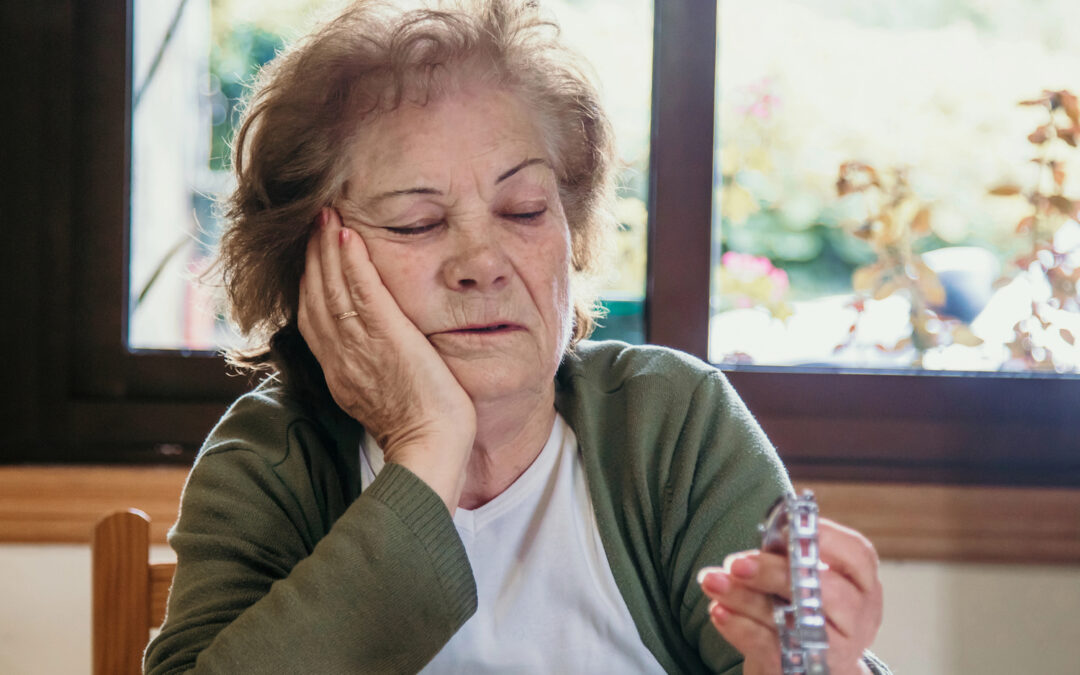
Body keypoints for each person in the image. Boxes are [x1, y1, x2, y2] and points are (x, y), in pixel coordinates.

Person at [144, 1, 888, 673]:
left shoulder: (672, 422)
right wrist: (427, 442)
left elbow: (796, 656)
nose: (483, 264)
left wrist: (818, 662)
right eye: (418, 222)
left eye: (526, 210)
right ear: (311, 262)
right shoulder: (271, 457)